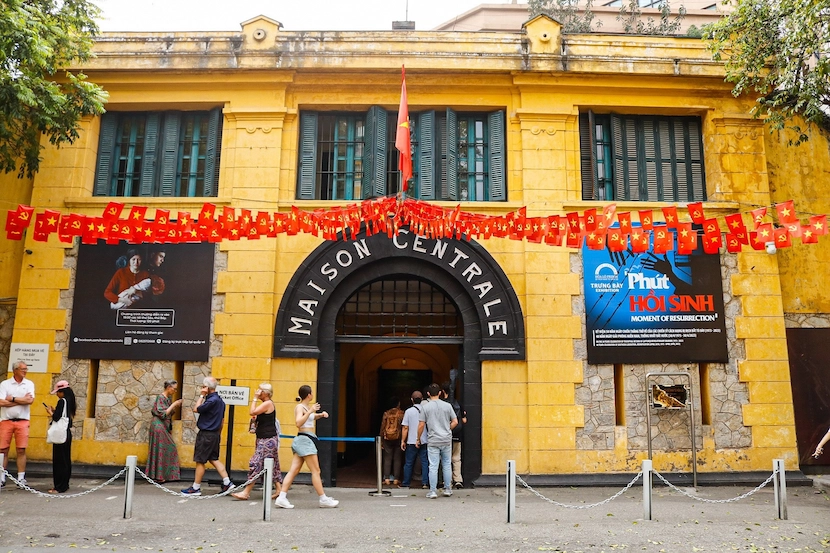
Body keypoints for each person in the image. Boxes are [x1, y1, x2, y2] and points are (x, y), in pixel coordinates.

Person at [274, 385, 339, 508]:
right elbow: (298, 423)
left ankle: (281, 497)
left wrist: (320, 415)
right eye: (312, 393)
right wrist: (311, 411)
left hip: (304, 439)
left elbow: (310, 418)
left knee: (294, 470)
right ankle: (323, 499)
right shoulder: (300, 407)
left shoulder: (306, 407)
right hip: (305, 440)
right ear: (309, 395)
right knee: (316, 471)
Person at [181, 376, 234, 496]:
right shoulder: (220, 401)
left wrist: (201, 395)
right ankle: (227, 482)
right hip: (215, 434)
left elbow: (196, 409)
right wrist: (218, 434)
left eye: (203, 386)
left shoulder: (211, 401)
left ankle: (196, 488)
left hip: (206, 434)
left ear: (207, 388)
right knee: (214, 459)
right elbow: (222, 420)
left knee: (200, 461)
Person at [232, 383, 283, 500]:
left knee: (256, 463)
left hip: (267, 440)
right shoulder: (265, 404)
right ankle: (279, 489)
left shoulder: (268, 403)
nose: (258, 391)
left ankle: (246, 492)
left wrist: (254, 398)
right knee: (272, 464)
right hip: (265, 438)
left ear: (265, 393)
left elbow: (252, 411)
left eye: (260, 390)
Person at [418, 383, 457, 499]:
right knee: (446, 464)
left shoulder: (425, 407)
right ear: (440, 393)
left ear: (428, 394)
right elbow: (455, 421)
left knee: (433, 466)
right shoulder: (447, 406)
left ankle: (433, 491)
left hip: (433, 440)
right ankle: (448, 489)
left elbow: (421, 425)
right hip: (446, 439)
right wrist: (447, 429)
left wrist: (417, 438)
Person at [0, 361, 35, 488]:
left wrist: (12, 399)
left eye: (26, 369)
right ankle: (1, 477)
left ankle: (21, 477)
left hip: (22, 420)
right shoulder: (5, 384)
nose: (25, 371)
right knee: (3, 450)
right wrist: (21, 401)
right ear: (15, 370)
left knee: (21, 449)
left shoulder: (29, 384)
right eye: (22, 369)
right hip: (6, 420)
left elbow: (30, 400)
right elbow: (1, 402)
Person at [146, 379, 183, 483]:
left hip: (163, 426)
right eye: (174, 389)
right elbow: (163, 413)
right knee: (161, 449)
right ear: (169, 387)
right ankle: (158, 476)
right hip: (158, 426)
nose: (175, 391)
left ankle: (162, 475)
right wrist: (174, 404)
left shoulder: (167, 398)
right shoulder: (160, 398)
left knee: (165, 449)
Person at [44, 380, 76, 494]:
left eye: (58, 392)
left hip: (60, 434)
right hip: (67, 433)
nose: (57, 394)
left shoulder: (62, 401)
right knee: (66, 459)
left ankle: (59, 486)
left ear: (62, 392)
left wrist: (50, 412)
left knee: (59, 461)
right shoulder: (70, 402)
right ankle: (64, 484)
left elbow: (57, 418)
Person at [400, 390, 429, 490]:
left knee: (409, 463)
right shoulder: (426, 410)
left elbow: (405, 427)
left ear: (411, 400)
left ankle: (406, 483)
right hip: (424, 440)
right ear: (422, 399)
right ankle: (425, 482)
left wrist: (403, 440)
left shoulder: (408, 411)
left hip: (411, 441)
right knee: (425, 462)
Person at [441, 381, 467, 489]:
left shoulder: (442, 404)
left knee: (445, 459)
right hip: (457, 433)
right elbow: (464, 420)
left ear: (442, 391)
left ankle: (447, 481)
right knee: (456, 458)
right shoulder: (459, 404)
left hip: (444, 434)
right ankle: (458, 479)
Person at [379, 396, 404, 486]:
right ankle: (396, 479)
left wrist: (381, 439)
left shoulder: (386, 414)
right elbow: (404, 426)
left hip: (387, 438)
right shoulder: (401, 414)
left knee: (387, 458)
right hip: (398, 437)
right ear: (398, 404)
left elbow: (382, 427)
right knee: (397, 458)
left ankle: (387, 479)